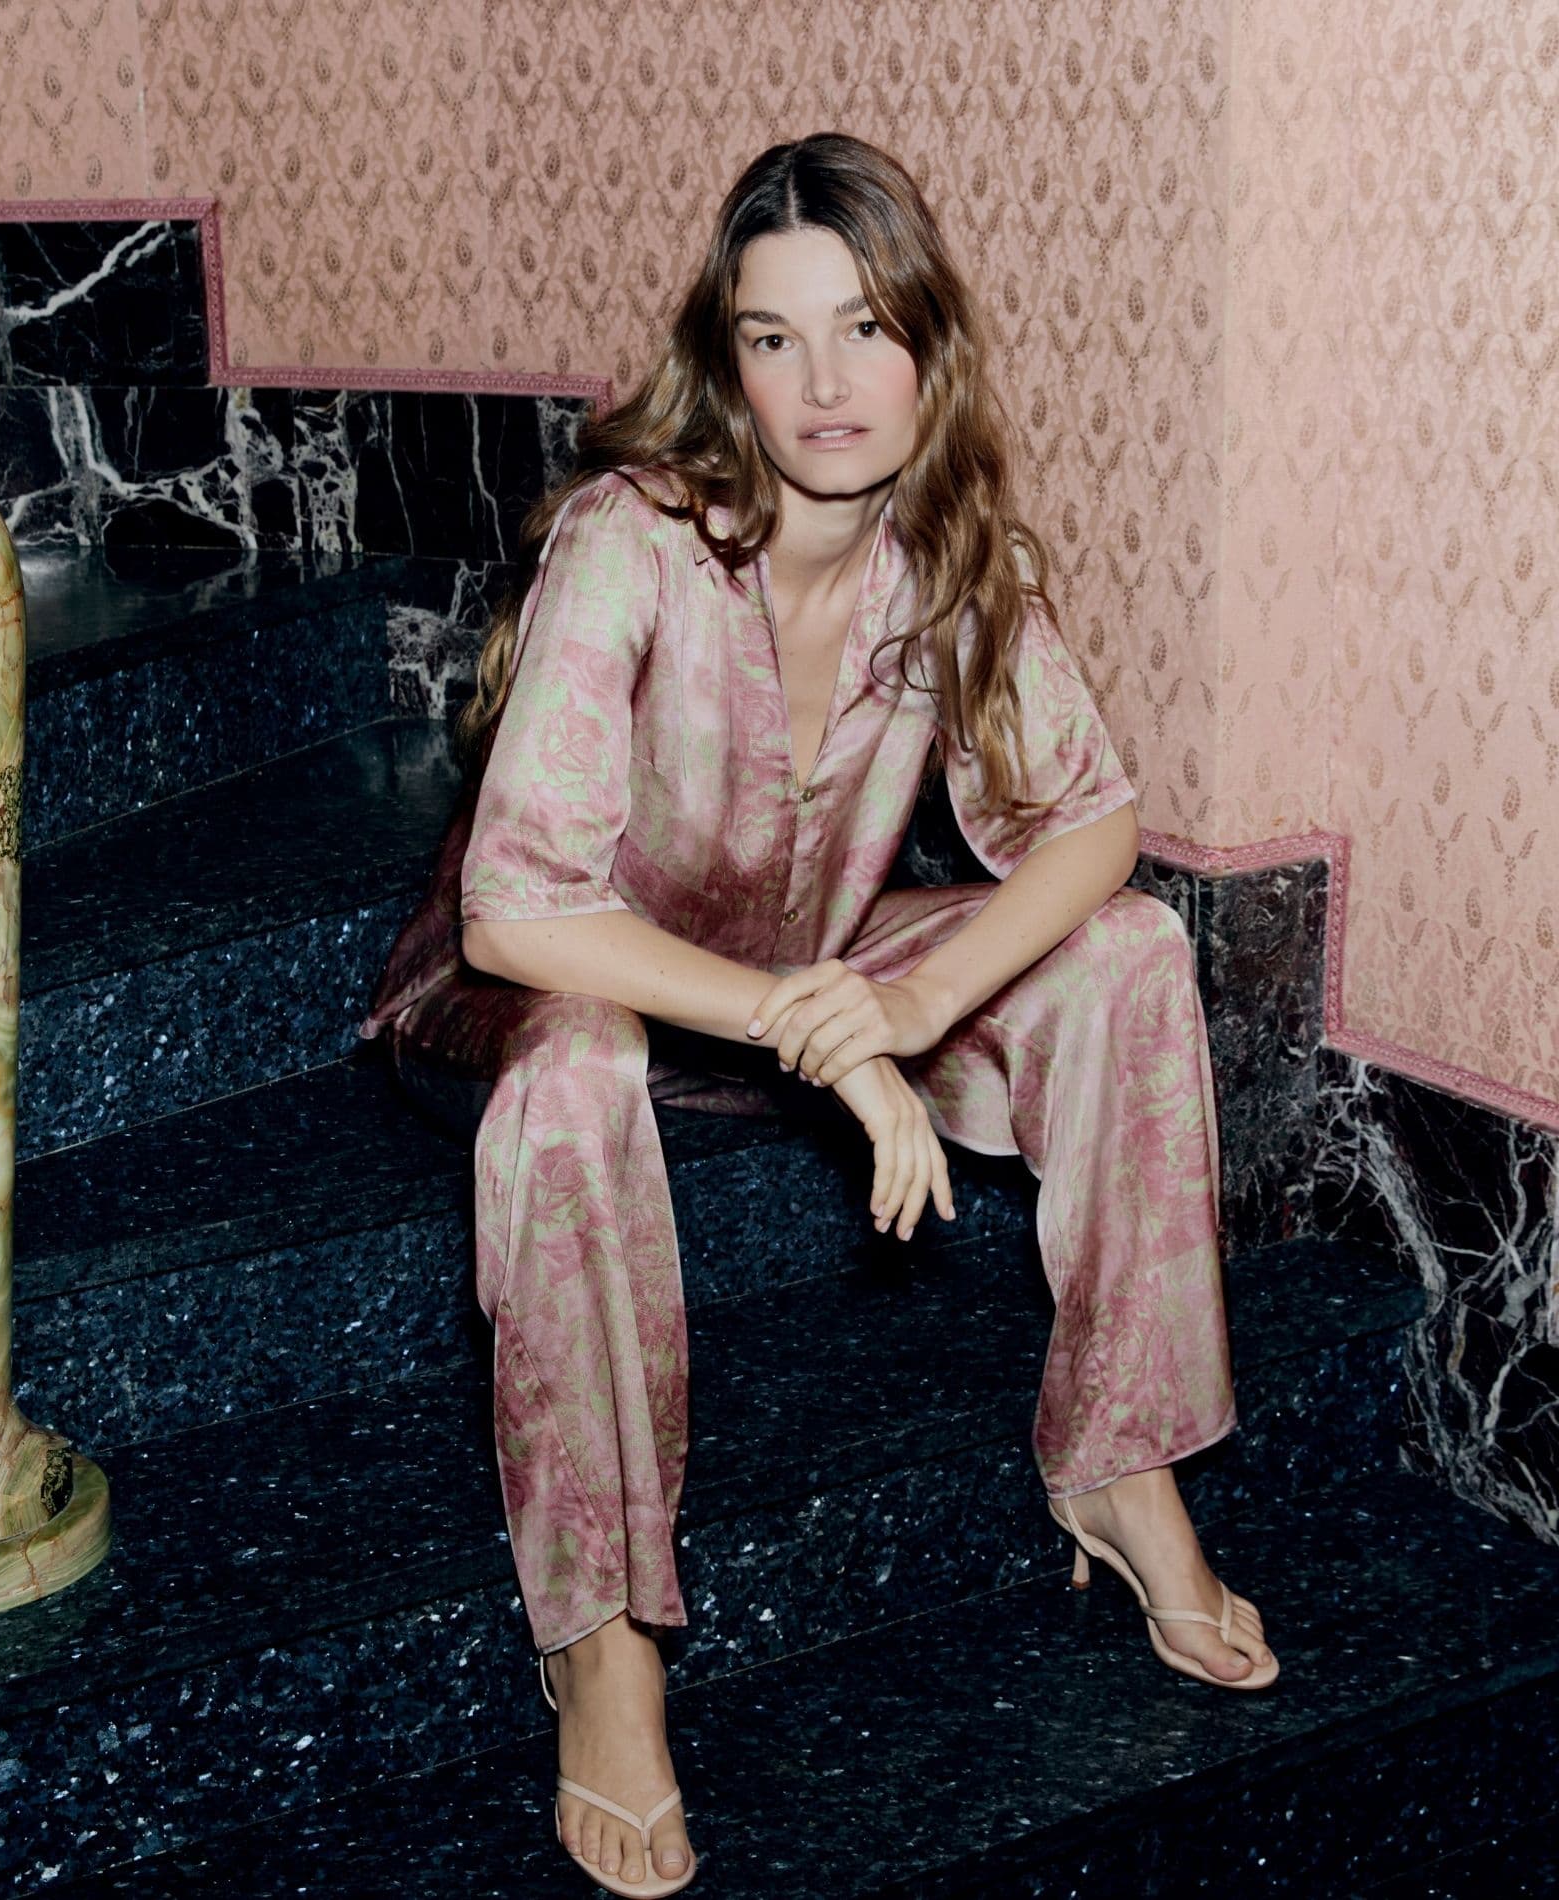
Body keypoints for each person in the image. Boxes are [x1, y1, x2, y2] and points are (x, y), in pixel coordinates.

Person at [358, 130, 1277, 1900]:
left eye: (861, 327)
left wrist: (910, 998)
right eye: (774, 339)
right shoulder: (636, 540)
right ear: (728, 360)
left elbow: (1090, 817)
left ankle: (1122, 1459)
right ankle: (607, 1634)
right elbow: (518, 907)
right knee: (573, 1077)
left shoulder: (950, 549)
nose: (825, 382)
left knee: (1134, 953)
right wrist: (811, 1023)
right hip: (564, 983)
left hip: (820, 970)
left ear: (927, 338)